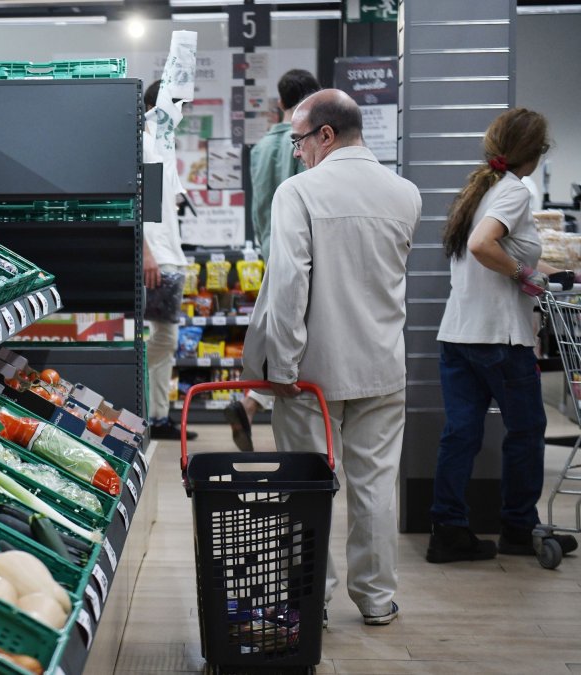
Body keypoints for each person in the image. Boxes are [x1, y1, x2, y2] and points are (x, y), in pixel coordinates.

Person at [241, 89, 422, 627]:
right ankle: (376, 599)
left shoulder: (298, 193)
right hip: (383, 367)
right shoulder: (405, 192)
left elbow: (291, 285)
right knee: (375, 487)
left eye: (298, 140)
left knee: (306, 486)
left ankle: (308, 597)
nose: (295, 151)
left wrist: (285, 368)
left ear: (325, 134)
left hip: (311, 374)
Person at [427, 107, 579, 563]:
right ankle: (517, 526)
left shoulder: (480, 189)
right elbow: (482, 247)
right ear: (534, 155)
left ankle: (448, 530)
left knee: (460, 435)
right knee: (528, 429)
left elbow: (499, 252)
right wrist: (523, 274)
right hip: (500, 338)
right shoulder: (514, 191)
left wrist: (557, 274)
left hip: (458, 335)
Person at [224, 69, 321, 452]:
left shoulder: (262, 146)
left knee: (275, 333)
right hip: (304, 255)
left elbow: (259, 208)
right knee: (299, 347)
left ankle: (249, 405)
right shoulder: (307, 144)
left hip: (270, 251)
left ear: (279, 103)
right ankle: (263, 408)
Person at [143, 80, 196, 441]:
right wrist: (146, 251)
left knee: (165, 338)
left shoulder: (163, 144)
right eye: (179, 106)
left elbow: (170, 199)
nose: (183, 114)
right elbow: (138, 201)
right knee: (163, 337)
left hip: (170, 254)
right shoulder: (144, 143)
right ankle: (132, 390)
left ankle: (158, 416)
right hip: (157, 256)